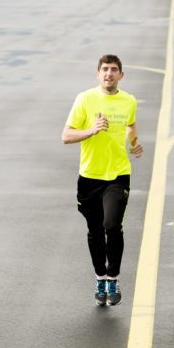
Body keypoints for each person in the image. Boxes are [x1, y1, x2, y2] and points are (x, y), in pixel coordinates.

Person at [62, 54, 143, 306]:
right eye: (105, 69)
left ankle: (113, 278)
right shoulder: (85, 99)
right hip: (89, 177)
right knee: (95, 230)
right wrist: (92, 130)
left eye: (114, 70)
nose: (109, 74)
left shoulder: (129, 101)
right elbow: (66, 136)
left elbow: (130, 125)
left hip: (118, 175)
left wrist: (134, 142)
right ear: (98, 74)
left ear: (121, 75)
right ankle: (100, 277)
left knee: (112, 224)